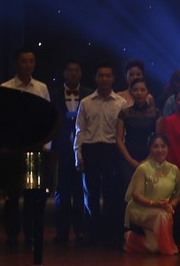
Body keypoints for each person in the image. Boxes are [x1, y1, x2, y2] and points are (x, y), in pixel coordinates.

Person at [75, 64, 129, 247]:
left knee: (110, 194)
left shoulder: (121, 103)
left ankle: (108, 233)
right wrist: (77, 154)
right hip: (90, 149)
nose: (104, 79)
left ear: (113, 78)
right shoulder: (86, 102)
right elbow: (79, 130)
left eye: (108, 76)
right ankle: (92, 232)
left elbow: (123, 132)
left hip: (111, 149)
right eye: (101, 76)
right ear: (95, 78)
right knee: (90, 193)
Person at [1, 48, 50, 246]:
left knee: (33, 194)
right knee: (11, 194)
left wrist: (46, 145)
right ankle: (12, 233)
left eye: (31, 61)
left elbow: (48, 118)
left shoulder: (41, 88)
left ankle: (30, 233)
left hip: (35, 145)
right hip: (13, 147)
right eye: (24, 61)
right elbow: (1, 120)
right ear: (16, 63)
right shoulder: (5, 87)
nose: (28, 65)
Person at [122, 134, 180, 254]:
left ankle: (130, 238)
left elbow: (178, 193)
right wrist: (155, 204)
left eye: (163, 146)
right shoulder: (143, 168)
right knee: (163, 216)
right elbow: (136, 195)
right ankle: (169, 250)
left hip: (162, 208)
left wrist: (171, 205)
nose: (160, 150)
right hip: (140, 209)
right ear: (150, 149)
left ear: (168, 148)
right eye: (155, 146)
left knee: (154, 246)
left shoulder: (174, 169)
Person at [52, 59, 88, 245]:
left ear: (81, 73)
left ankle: (81, 231)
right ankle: (62, 232)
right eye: (70, 70)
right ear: (64, 73)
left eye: (77, 70)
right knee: (62, 192)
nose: (73, 73)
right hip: (61, 150)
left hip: (82, 149)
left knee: (81, 192)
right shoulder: (53, 94)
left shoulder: (89, 94)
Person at [116, 78, 159, 172]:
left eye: (142, 90)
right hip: (128, 155)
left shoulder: (156, 114)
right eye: (135, 90)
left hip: (150, 154)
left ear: (148, 92)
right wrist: (130, 160)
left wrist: (148, 159)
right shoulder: (124, 113)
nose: (139, 93)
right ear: (130, 92)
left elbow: (158, 138)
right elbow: (119, 139)